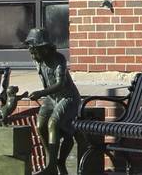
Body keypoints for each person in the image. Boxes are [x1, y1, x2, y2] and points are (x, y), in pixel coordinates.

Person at [24, 27, 82, 175]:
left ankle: (53, 165)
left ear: (44, 48)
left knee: (53, 124)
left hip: (67, 98)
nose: (32, 54)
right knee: (40, 125)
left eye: (34, 50)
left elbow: (60, 84)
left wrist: (40, 93)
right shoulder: (38, 60)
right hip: (51, 98)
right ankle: (51, 161)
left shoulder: (58, 59)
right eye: (30, 50)